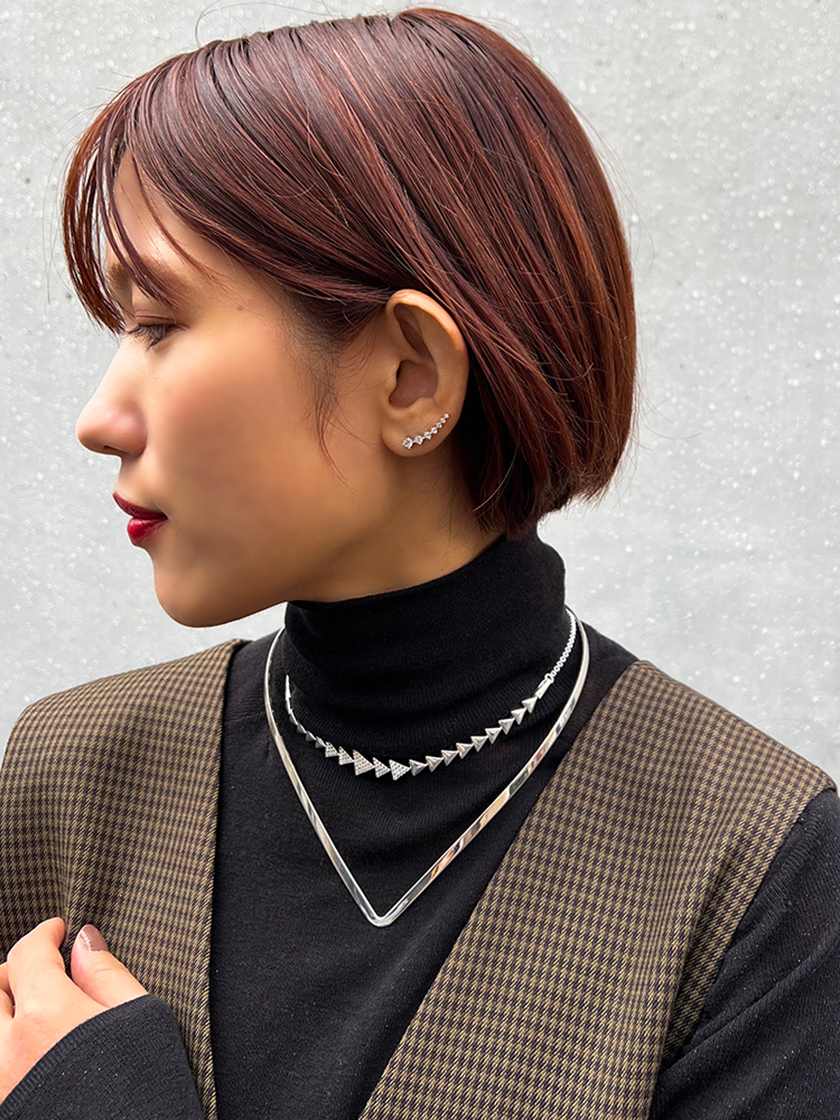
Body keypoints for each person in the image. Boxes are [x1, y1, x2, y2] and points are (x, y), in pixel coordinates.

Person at [0, 7, 837, 1118]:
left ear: (410, 378)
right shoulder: (67, 779)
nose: (98, 418)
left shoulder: (752, 864)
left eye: (157, 324)